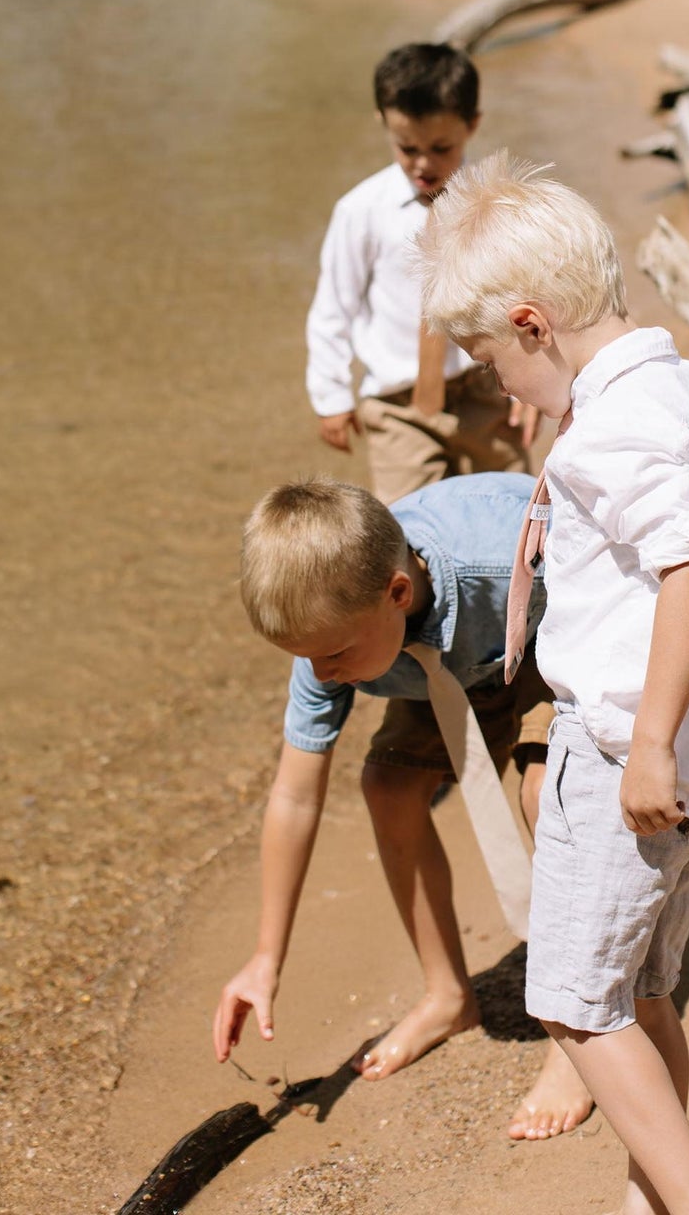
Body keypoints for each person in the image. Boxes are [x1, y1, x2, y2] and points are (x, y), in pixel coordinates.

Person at [419, 154, 689, 1215]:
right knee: (636, 987)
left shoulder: (614, 431)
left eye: (493, 361)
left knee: (574, 1001)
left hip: (629, 747)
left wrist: (649, 742)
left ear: (532, 324)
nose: (501, 388)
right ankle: (652, 1191)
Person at [212, 471, 592, 1141]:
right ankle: (448, 994)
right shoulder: (334, 631)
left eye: (331, 656)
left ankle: (582, 1029)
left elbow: (616, 591)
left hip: (549, 632)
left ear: (396, 592)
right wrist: (266, 956)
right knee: (388, 787)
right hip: (445, 669)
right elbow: (295, 793)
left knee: (545, 795)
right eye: (305, 659)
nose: (320, 674)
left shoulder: (505, 549)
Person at [305, 42, 534, 502]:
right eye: (407, 147)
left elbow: (526, 299)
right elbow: (334, 306)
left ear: (472, 125)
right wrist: (331, 397)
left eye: (440, 148)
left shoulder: (498, 203)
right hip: (398, 407)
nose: (423, 164)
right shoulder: (360, 211)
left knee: (514, 512)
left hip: (487, 395)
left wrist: (533, 386)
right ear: (384, 123)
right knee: (407, 528)